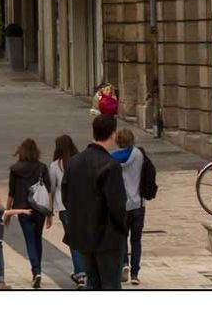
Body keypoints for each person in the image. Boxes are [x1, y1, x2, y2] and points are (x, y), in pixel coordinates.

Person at [61, 115, 128, 290]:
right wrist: (122, 229)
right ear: (113, 135)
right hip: (107, 237)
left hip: (82, 235)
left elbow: (66, 196)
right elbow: (117, 204)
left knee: (92, 282)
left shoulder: (74, 162)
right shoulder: (110, 165)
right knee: (110, 284)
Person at [111, 123, 158, 287]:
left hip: (121, 205)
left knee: (122, 237)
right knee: (136, 240)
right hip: (138, 203)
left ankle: (124, 263)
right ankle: (135, 273)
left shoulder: (113, 158)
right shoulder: (139, 155)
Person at [6, 137, 52, 288]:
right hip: (39, 208)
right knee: (38, 237)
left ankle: (36, 270)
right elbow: (48, 191)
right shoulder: (42, 167)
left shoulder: (15, 169)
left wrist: (8, 212)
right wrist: (49, 212)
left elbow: (11, 192)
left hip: (22, 208)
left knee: (29, 239)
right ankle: (38, 269)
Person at [48, 134, 88, 287]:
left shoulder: (55, 166)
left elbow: (51, 188)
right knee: (83, 238)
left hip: (64, 207)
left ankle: (80, 272)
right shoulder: (81, 161)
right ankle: (85, 268)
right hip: (82, 206)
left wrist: (50, 210)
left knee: (73, 241)